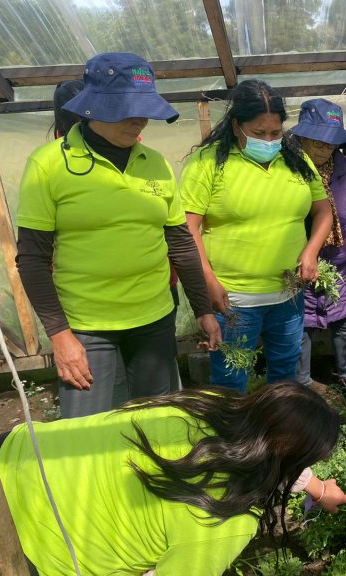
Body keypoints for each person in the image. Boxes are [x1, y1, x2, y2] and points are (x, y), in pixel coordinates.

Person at [16, 52, 220, 418]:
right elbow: (31, 258)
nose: (140, 118)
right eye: (128, 108)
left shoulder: (154, 163)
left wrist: (202, 308)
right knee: (88, 431)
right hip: (87, 328)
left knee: (156, 420)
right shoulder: (48, 165)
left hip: (154, 320)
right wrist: (61, 336)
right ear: (94, 106)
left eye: (145, 108)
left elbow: (180, 244)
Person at [0, 382, 346, 575]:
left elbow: (264, 444)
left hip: (11, 453)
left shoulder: (209, 405)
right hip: (26, 544)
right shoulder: (226, 519)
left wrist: (318, 488)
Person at [180, 80, 333, 394]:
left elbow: (323, 211)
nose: (269, 140)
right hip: (234, 299)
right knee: (231, 378)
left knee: (286, 371)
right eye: (259, 133)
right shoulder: (209, 163)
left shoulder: (295, 159)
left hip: (287, 294)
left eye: (275, 133)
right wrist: (208, 280)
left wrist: (310, 251)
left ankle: (279, 435)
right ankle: (233, 437)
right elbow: (188, 227)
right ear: (237, 125)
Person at [289, 98, 346, 399]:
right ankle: (302, 384)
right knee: (300, 325)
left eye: (331, 142)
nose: (324, 148)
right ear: (301, 137)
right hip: (296, 266)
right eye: (317, 141)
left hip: (338, 265)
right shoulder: (286, 171)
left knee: (342, 320)